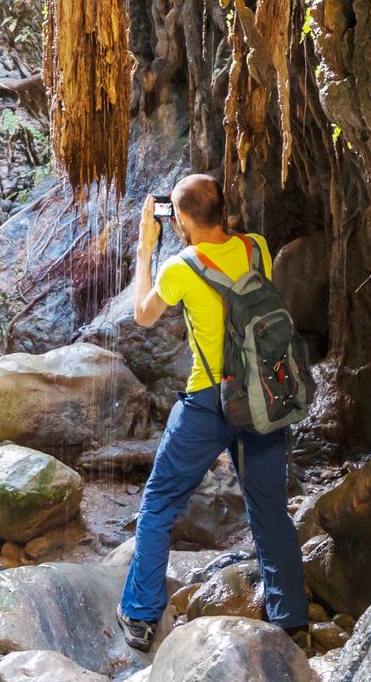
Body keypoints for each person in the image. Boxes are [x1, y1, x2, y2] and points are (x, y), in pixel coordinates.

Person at [117, 173, 309, 651]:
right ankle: (291, 621)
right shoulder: (257, 248)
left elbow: (142, 314)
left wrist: (145, 250)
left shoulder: (179, 268)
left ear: (180, 219)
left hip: (208, 402)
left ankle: (140, 618)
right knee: (268, 509)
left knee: (159, 504)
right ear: (223, 209)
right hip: (263, 395)